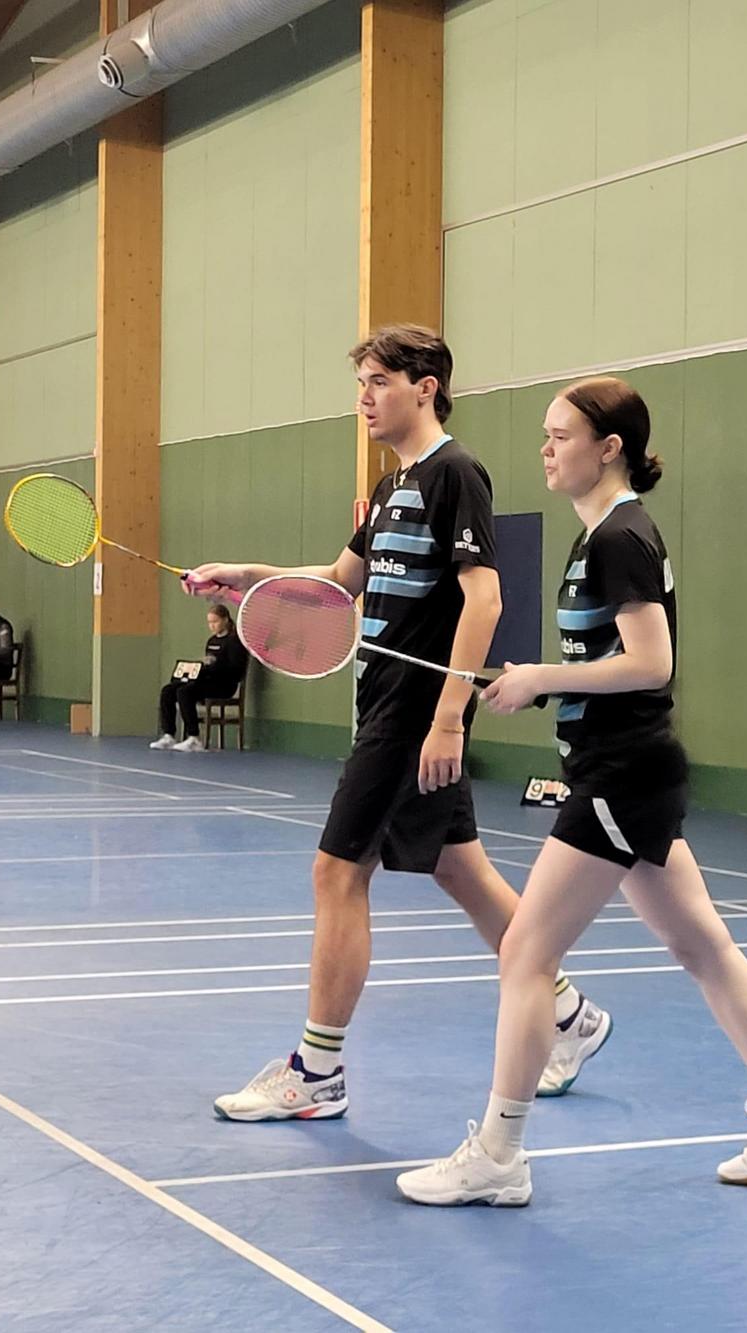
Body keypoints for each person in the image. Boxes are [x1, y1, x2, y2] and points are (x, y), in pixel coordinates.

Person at [396, 377, 747, 1207]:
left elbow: (651, 663)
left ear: (610, 449)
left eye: (561, 435)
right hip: (633, 772)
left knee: (526, 954)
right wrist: (541, 682)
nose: (545, 448)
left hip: (619, 774)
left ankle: (498, 1153)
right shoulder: (600, 533)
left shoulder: (621, 536)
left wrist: (541, 677)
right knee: (702, 945)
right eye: (545, 433)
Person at [183, 325, 611, 1122]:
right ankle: (568, 1014)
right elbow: (338, 581)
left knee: (337, 872)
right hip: (383, 703)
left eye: (379, 382)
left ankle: (317, 1070)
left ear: (426, 387)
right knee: (459, 868)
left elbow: (485, 598)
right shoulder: (389, 488)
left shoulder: (455, 472)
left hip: (415, 712)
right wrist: (243, 575)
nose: (365, 399)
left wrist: (449, 719)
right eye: (361, 385)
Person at [150, 603, 249, 753]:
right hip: (207, 681)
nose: (212, 626)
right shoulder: (211, 641)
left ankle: (194, 737)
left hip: (224, 685)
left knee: (185, 692)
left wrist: (214, 667)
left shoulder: (235, 642)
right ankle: (169, 735)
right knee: (168, 690)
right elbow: (208, 665)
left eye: (215, 622)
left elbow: (235, 671)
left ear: (225, 620)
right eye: (209, 622)